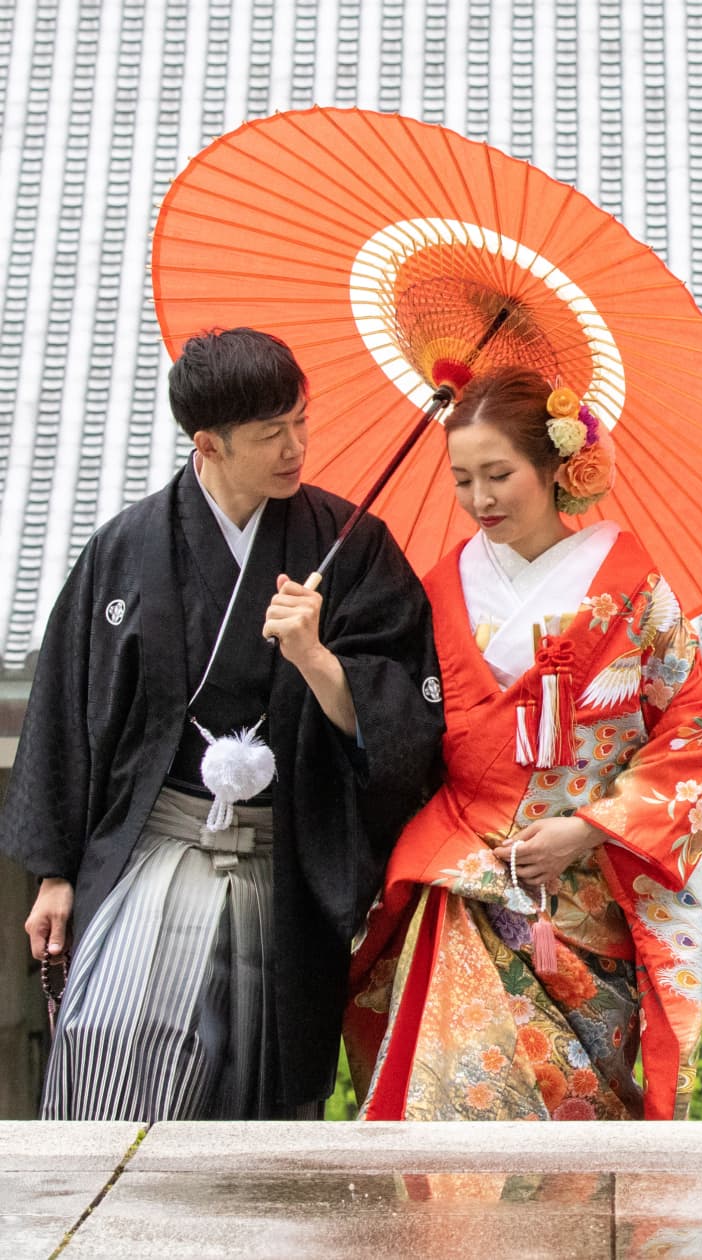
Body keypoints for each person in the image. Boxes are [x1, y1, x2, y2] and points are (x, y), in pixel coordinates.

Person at [0, 326, 444, 1121]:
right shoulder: (126, 550)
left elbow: (405, 723)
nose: (296, 447)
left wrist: (316, 657)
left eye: (302, 421)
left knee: (254, 1086)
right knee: (108, 1047)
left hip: (285, 861)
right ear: (207, 443)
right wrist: (55, 872)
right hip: (155, 847)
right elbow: (65, 707)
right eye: (271, 433)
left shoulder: (354, 548)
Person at [344, 365, 702, 1122]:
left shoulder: (629, 584)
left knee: (575, 1111)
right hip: (465, 876)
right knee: (450, 1095)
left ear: (557, 466)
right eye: (461, 479)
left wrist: (586, 829)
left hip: (586, 892)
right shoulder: (439, 584)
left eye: (499, 474)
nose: (479, 499)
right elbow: (403, 730)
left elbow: (697, 726)